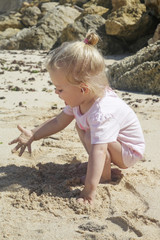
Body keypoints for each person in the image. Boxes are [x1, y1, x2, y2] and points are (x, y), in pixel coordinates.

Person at [9, 30, 145, 204]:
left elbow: (99, 149)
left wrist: (88, 191)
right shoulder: (80, 100)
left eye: (60, 89)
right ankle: (103, 169)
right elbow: (59, 121)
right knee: (81, 126)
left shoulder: (101, 112)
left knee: (90, 135)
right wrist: (33, 134)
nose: (56, 92)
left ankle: (103, 176)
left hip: (129, 151)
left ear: (83, 88)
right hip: (115, 143)